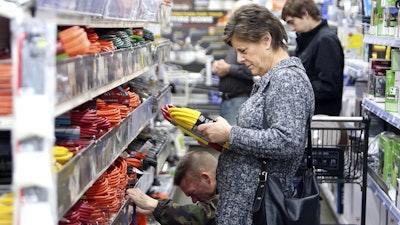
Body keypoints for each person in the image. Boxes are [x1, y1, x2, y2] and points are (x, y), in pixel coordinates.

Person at [196, 3, 315, 224]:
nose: (240, 59)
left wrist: (231, 135)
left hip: (258, 207)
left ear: (266, 40)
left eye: (243, 50)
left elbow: (287, 141)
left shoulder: (287, 80)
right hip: (247, 204)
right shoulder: (272, 78)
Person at [282, 0, 344, 116]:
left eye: (292, 22)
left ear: (305, 14)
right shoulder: (309, 40)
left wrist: (295, 90)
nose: (292, 28)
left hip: (321, 120)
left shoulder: (325, 40)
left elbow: (328, 87)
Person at [126, 150, 218, 225]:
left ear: (206, 178)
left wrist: (153, 205)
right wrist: (154, 211)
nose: (194, 201)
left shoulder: (229, 192)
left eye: (192, 193)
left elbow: (201, 216)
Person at [211, 0, 254, 125]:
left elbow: (250, 71)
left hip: (239, 100)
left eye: (232, 12)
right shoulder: (236, 37)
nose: (229, 15)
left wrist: (228, 68)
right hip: (228, 100)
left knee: (232, 140)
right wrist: (219, 66)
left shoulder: (249, 40)